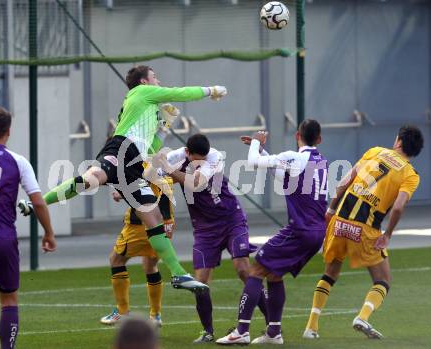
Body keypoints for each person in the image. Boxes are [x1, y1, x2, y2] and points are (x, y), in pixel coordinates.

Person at [18, 65, 227, 292]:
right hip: (121, 149)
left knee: (153, 215)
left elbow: (150, 147)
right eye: (155, 76)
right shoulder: (142, 92)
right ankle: (34, 204)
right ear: (144, 82)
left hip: (134, 164)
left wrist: (164, 127)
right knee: (93, 177)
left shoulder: (148, 106)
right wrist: (211, 90)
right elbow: (180, 93)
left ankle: (178, 274)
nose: (158, 80)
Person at [303, 125, 423, 340]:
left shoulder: (374, 151)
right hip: (364, 229)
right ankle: (363, 317)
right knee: (383, 279)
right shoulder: (410, 175)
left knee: (330, 274)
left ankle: (311, 328)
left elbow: (344, 181)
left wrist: (330, 210)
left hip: (340, 220)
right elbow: (397, 207)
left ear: (398, 141)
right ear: (414, 152)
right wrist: (387, 235)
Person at [216, 119, 328, 345]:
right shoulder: (321, 161)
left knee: (256, 269)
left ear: (298, 135)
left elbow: (253, 162)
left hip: (300, 229)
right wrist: (260, 148)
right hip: (317, 232)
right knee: (274, 275)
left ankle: (241, 331)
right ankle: (274, 332)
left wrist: (257, 142)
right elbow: (283, 176)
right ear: (319, 139)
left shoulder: (296, 157)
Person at [155, 134, 268, 343]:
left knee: (243, 269)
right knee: (201, 282)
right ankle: (208, 332)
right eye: (197, 159)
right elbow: (149, 173)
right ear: (187, 153)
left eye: (203, 159)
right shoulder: (176, 157)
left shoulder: (214, 157)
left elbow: (196, 183)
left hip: (231, 219)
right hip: (205, 228)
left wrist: (167, 168)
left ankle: (272, 325)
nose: (201, 163)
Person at [0, 107, 57, 349]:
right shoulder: (18, 161)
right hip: (2, 238)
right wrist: (49, 233)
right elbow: (38, 202)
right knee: (8, 299)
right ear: (8, 131)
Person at [101, 177, 175, 327]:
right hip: (163, 223)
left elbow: (142, 187)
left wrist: (120, 194)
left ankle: (122, 312)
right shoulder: (162, 167)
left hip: (140, 225)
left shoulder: (143, 166)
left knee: (116, 260)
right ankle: (155, 315)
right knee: (150, 266)